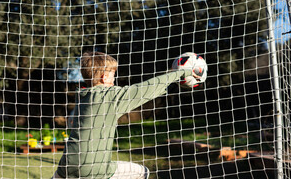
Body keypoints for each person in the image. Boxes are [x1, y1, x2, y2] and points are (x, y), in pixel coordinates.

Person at [52, 51, 201, 179]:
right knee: (142, 172)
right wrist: (181, 72)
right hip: (92, 168)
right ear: (104, 77)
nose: (114, 80)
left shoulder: (83, 97)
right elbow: (147, 88)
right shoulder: (110, 96)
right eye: (113, 75)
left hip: (67, 165)